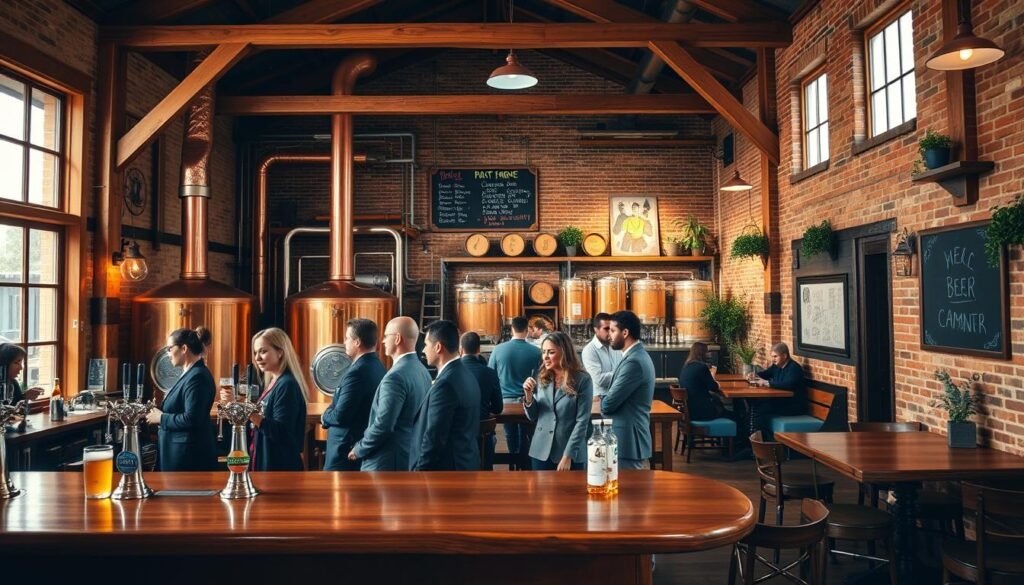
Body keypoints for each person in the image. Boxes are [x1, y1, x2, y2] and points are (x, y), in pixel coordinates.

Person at [349, 316, 430, 471]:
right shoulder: (422, 371)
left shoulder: (395, 377)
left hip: (386, 461)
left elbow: (383, 425)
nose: (383, 341)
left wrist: (359, 449)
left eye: (386, 336)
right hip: (409, 456)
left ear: (398, 338)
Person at [409, 320, 480, 471]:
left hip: (448, 471)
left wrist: (419, 471)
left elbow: (435, 437)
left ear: (438, 347)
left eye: (427, 344)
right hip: (466, 462)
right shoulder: (466, 373)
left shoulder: (446, 383)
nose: (423, 350)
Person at [146, 327, 217, 471]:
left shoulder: (197, 377)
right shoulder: (190, 373)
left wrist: (161, 418)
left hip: (187, 458)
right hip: (180, 455)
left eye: (170, 348)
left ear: (184, 348)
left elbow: (192, 419)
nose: (168, 353)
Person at [522, 332, 593, 471]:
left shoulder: (583, 380)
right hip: (541, 452)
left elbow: (582, 422)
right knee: (541, 493)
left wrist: (568, 455)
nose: (545, 357)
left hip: (570, 452)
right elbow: (534, 416)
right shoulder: (542, 376)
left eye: (551, 352)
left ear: (564, 353)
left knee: (571, 493)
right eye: (543, 352)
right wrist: (529, 395)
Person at [322, 318, 386, 471]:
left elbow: (340, 415)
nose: (344, 342)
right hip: (356, 445)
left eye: (347, 338)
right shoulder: (378, 366)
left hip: (344, 450)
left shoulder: (357, 373)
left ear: (357, 342)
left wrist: (324, 417)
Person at [244, 328, 308, 472]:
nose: (257, 358)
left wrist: (250, 413)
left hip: (280, 467)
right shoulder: (274, 381)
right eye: (255, 353)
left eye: (263, 351)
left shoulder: (287, 385)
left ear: (280, 352)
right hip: (267, 462)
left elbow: (282, 432)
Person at [600, 310, 654, 470]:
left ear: (625, 332)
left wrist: (602, 399)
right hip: (628, 441)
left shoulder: (634, 362)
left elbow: (609, 404)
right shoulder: (634, 356)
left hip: (629, 442)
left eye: (612, 330)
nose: (609, 335)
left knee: (631, 494)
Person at [488, 316, 541, 461]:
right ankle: (524, 463)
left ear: (512, 329)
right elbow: (543, 377)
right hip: (528, 400)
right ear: (527, 330)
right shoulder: (537, 352)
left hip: (506, 402)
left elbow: (490, 375)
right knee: (527, 433)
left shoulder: (498, 350)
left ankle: (513, 462)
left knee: (510, 434)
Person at [677, 342, 731, 421]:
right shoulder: (701, 367)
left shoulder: (687, 366)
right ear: (702, 353)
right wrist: (717, 384)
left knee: (727, 411)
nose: (708, 354)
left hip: (691, 411)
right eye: (707, 352)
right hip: (703, 412)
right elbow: (713, 387)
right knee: (735, 416)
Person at [749, 342, 806, 416]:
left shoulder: (794, 368)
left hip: (792, 406)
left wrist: (766, 383)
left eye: (775, 356)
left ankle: (752, 426)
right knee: (755, 403)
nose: (773, 360)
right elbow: (765, 374)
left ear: (785, 355)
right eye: (772, 357)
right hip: (780, 401)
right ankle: (748, 425)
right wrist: (754, 375)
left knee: (761, 406)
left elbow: (788, 385)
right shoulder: (776, 366)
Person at [580, 313, 622, 398]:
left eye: (612, 329)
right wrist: (624, 373)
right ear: (596, 330)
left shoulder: (616, 346)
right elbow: (599, 379)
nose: (610, 332)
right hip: (600, 398)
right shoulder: (589, 350)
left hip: (619, 396)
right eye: (606, 329)